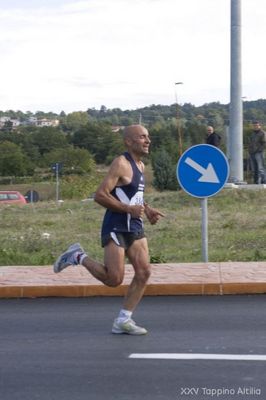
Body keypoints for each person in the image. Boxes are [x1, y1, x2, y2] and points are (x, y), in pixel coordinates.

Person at [53, 124, 165, 335]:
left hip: (135, 224)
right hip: (116, 224)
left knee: (144, 272)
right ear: (129, 141)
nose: (148, 141)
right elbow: (100, 195)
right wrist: (128, 209)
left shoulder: (140, 166)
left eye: (148, 137)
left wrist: (147, 209)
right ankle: (77, 256)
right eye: (142, 137)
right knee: (114, 279)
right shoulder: (121, 163)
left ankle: (123, 320)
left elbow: (132, 195)